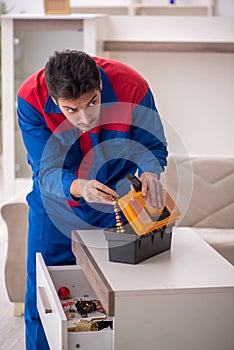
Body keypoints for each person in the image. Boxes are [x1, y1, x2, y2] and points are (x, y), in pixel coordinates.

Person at [17, 49, 168, 349]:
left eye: (92, 104)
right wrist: (78, 186)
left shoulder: (132, 86)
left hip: (118, 202)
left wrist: (151, 171)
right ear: (52, 97)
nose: (84, 118)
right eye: (71, 110)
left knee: (119, 298)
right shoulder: (30, 99)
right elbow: (45, 171)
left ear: (99, 84)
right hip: (55, 206)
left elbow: (153, 145)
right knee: (44, 299)